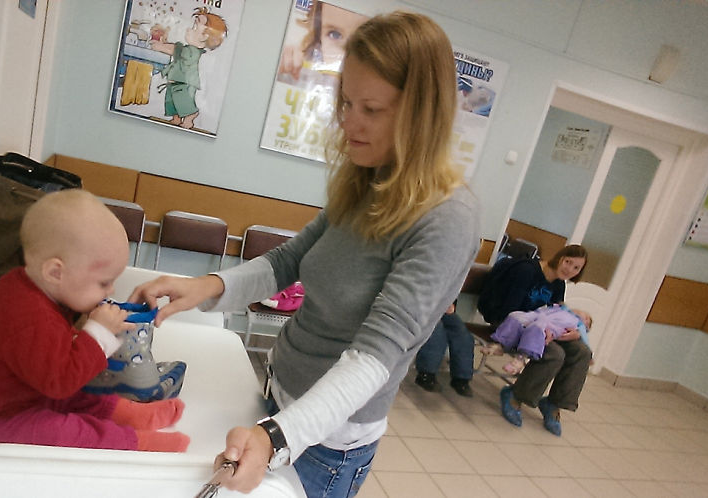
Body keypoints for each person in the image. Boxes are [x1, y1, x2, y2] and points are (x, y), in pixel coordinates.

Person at [129, 12, 480, 497]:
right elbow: (287, 261)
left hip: (328, 440)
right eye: (346, 102)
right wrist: (204, 287)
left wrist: (276, 438)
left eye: (371, 109)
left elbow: (376, 354)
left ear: (422, 114)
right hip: (279, 394)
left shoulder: (447, 217)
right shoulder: (367, 178)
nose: (349, 121)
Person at [0, 190, 189, 452]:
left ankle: (131, 415)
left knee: (84, 395)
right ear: (55, 272)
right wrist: (98, 334)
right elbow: (61, 383)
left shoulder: (33, 289)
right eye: (104, 282)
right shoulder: (24, 315)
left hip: (20, 391)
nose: (110, 291)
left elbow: (55, 358)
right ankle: (133, 442)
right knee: (62, 431)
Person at [478, 244, 590, 437]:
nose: (569, 269)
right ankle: (515, 395)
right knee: (555, 353)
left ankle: (554, 404)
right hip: (509, 323)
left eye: (576, 268)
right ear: (559, 257)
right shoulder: (526, 271)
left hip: (538, 325)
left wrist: (575, 331)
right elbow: (509, 310)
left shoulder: (559, 283)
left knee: (582, 351)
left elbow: (558, 311)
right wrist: (544, 329)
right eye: (567, 262)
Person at [482, 304, 592, 375]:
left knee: (536, 329)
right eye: (587, 315)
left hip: (549, 327)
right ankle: (500, 344)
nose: (585, 316)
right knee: (515, 316)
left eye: (588, 320)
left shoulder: (578, 324)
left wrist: (590, 357)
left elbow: (584, 340)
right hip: (537, 316)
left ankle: (521, 359)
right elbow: (545, 309)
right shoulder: (562, 308)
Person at [276, 1, 367, 85]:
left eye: (363, 41)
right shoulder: (298, 73)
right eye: (335, 35)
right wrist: (280, 65)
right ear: (318, 37)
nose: (346, 53)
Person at [414, 302, 475, 397]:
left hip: (439, 308)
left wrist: (450, 303)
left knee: (461, 333)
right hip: (418, 307)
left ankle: (461, 378)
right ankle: (426, 375)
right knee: (437, 330)